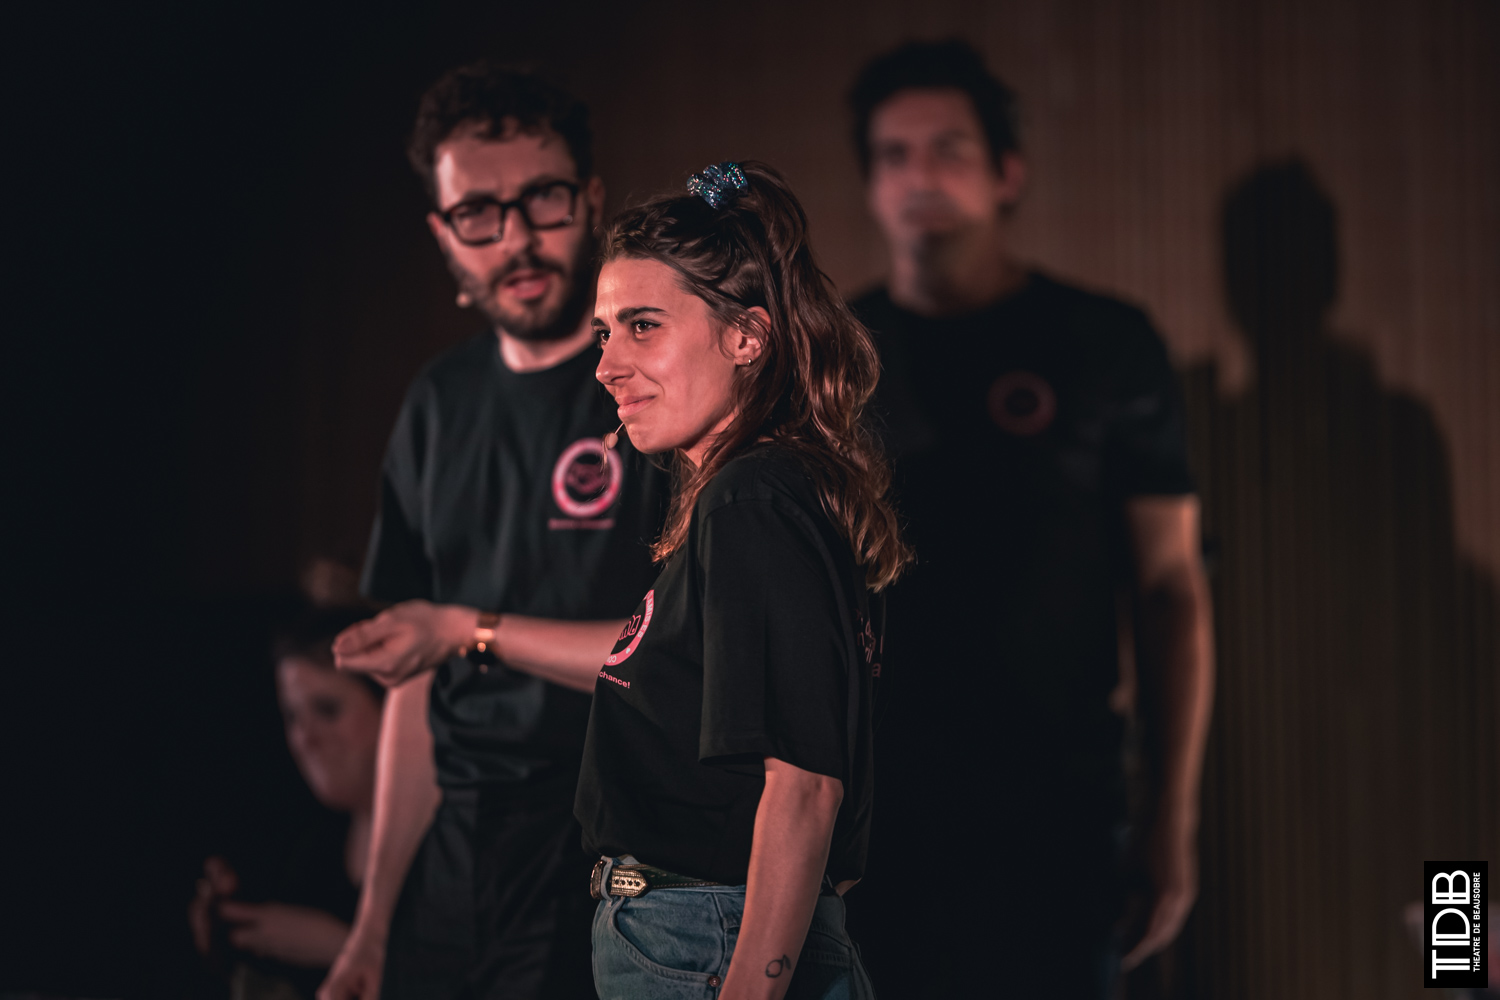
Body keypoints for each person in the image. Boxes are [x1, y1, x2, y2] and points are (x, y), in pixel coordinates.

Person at [843, 40, 1217, 997]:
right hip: (881, 812)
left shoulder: (1105, 344)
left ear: (1008, 173)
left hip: (1060, 800)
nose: (920, 176)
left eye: (949, 149)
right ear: (870, 184)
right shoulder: (831, 363)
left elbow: (1171, 588)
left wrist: (1171, 819)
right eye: (894, 155)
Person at [318, 63, 669, 1000]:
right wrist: (372, 929)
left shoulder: (655, 390)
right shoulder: (438, 402)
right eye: (479, 213)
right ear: (444, 234)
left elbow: (679, 654)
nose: (516, 238)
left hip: (614, 849)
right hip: (457, 856)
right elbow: (414, 687)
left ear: (590, 200)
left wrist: (467, 629)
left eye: (543, 199)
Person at [575, 160, 910, 1000]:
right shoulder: (767, 494)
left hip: (706, 937)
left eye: (642, 326)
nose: (607, 365)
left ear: (746, 337)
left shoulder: (751, 499)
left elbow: (805, 787)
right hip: (703, 929)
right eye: (604, 332)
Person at [189, 607, 382, 1000]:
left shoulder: (450, 848)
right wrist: (228, 937)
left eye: (327, 710)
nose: (305, 738)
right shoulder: (311, 845)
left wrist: (343, 949)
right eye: (292, 716)